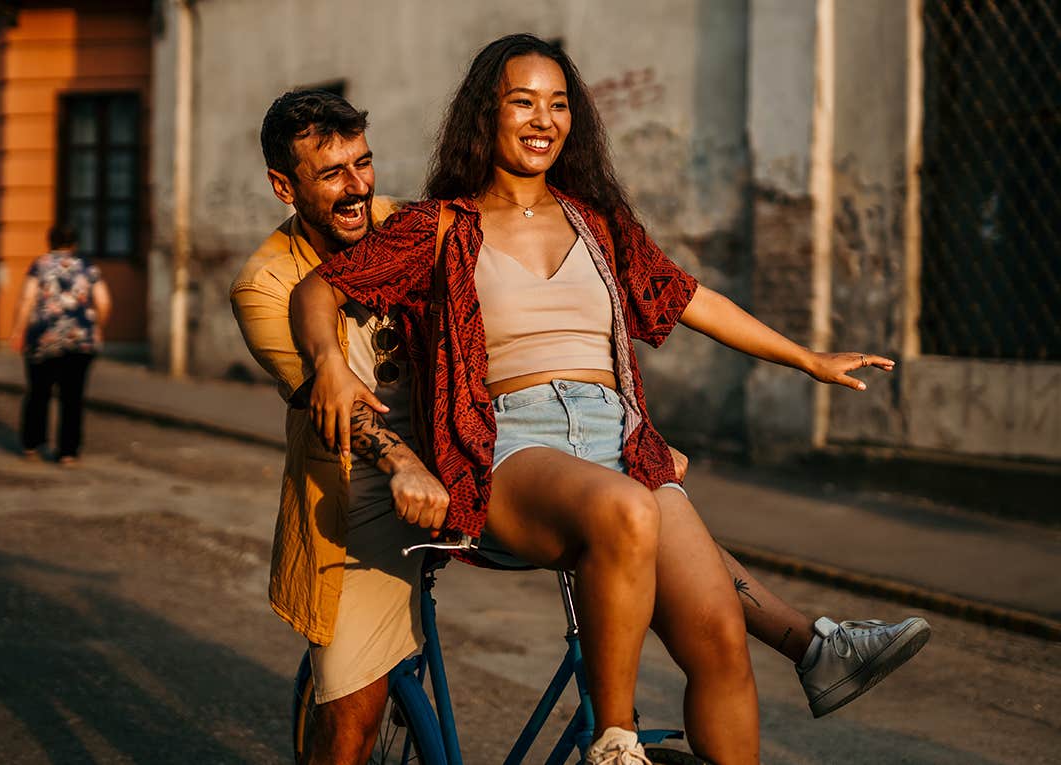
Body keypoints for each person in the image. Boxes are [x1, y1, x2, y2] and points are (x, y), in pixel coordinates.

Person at [295, 35, 930, 764]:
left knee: (722, 636)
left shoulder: (596, 223)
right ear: (486, 113)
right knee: (630, 506)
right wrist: (330, 367)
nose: (544, 120)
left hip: (617, 443)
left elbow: (693, 298)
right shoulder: (440, 226)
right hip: (507, 450)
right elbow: (321, 290)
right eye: (523, 101)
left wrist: (806, 357)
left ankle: (806, 651)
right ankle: (615, 742)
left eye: (559, 104)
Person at [229, 89, 449, 764]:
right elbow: (338, 406)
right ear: (283, 185)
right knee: (353, 719)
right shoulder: (264, 283)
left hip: (457, 455)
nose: (359, 189)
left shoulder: (402, 224)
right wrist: (403, 461)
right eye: (332, 174)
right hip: (361, 492)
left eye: (365, 163)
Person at [9, 224, 110, 464]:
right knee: (73, 397)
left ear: (49, 242)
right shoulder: (88, 267)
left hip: (45, 339)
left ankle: (32, 445)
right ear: (74, 244)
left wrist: (17, 331)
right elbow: (104, 302)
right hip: (80, 341)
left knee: (38, 392)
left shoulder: (40, 265)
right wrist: (97, 327)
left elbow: (26, 299)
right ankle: (68, 453)